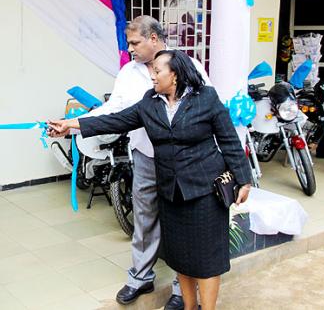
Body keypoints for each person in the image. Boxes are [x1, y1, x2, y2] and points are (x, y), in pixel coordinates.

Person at [48, 49, 252, 310]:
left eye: (157, 71)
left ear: (175, 74)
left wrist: (243, 180)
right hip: (171, 192)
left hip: (205, 191)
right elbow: (114, 120)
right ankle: (190, 307)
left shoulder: (206, 99)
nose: (152, 76)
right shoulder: (150, 103)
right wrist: (71, 124)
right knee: (181, 257)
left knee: (206, 258)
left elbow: (229, 141)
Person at [58, 16, 210, 309]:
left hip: (184, 160)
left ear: (154, 38)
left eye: (134, 42)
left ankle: (183, 288)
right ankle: (141, 277)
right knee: (144, 216)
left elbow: (208, 103)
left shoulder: (188, 65)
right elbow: (115, 110)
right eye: (129, 43)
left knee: (181, 220)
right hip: (146, 155)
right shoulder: (128, 73)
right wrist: (73, 123)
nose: (130, 49)